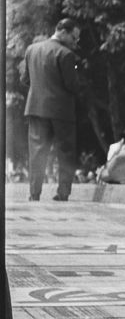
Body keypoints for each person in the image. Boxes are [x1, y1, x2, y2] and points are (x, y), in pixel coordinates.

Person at [21, 17, 83, 201]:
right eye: (74, 37)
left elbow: (25, 79)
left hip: (36, 107)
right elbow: (72, 85)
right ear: (63, 31)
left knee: (37, 152)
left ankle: (34, 193)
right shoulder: (66, 54)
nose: (75, 42)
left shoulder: (32, 49)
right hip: (61, 111)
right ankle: (63, 193)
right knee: (65, 151)